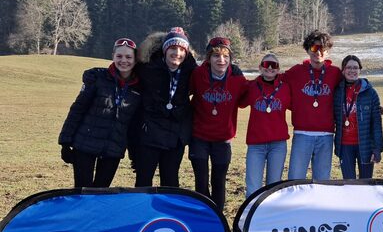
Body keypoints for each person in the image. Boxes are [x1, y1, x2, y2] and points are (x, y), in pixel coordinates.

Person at [59, 37, 142, 188]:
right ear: (113, 57)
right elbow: (78, 109)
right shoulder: (98, 79)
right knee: (82, 192)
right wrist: (65, 142)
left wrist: (135, 155)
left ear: (136, 60)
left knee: (101, 193)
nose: (124, 60)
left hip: (113, 149)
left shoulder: (139, 88)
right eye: (119, 56)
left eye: (129, 57)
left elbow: (134, 126)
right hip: (85, 144)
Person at [133, 27, 197, 188]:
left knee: (171, 182)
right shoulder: (146, 68)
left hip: (175, 137)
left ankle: (167, 214)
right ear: (165, 50)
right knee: (143, 180)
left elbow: (214, 73)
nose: (177, 53)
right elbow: (124, 67)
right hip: (149, 134)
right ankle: (142, 213)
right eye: (173, 48)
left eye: (182, 49)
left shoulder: (191, 71)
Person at [188, 37, 247, 209]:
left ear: (230, 59)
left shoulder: (237, 79)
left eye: (225, 57)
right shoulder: (198, 75)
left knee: (219, 182)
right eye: (216, 56)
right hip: (199, 137)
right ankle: (203, 216)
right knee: (201, 182)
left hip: (223, 140)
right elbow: (186, 92)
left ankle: (218, 218)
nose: (221, 60)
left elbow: (245, 100)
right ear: (208, 58)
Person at [284, 30, 342, 180]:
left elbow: (352, 86)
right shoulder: (296, 71)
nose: (319, 52)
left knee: (322, 180)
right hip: (302, 134)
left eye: (323, 49)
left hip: (326, 135)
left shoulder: (335, 73)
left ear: (328, 52)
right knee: (295, 179)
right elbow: (272, 81)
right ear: (308, 50)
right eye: (315, 48)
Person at [241, 53, 291, 197]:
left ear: (278, 69)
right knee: (252, 188)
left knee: (274, 188)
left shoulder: (286, 88)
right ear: (260, 68)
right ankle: (250, 218)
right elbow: (240, 102)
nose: (269, 68)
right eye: (266, 64)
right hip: (256, 145)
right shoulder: (251, 86)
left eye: (273, 65)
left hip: (278, 145)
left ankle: (270, 218)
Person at [333, 55, 383, 179]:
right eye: (349, 67)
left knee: (365, 184)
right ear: (343, 70)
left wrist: (378, 148)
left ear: (360, 70)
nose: (352, 71)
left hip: (365, 146)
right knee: (349, 183)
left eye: (355, 67)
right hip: (344, 146)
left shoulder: (370, 93)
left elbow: (376, 124)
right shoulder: (337, 91)